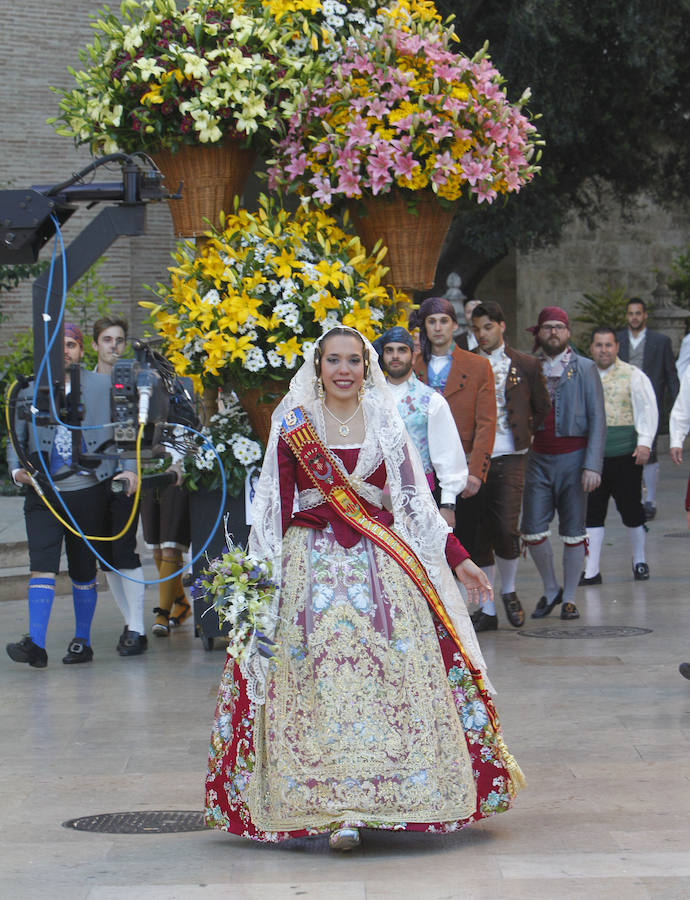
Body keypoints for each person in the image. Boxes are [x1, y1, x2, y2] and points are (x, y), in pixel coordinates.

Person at [205, 326, 524, 850]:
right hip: (307, 566)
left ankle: (388, 798)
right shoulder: (292, 423)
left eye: (354, 360)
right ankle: (327, 806)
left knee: (392, 669)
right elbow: (270, 506)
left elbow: (415, 503)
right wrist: (261, 582)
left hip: (380, 566)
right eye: (334, 360)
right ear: (318, 365)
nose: (345, 370)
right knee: (310, 676)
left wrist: (459, 559)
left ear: (368, 366)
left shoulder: (385, 420)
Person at [6, 324, 136, 668]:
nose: (64, 351)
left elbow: (125, 430)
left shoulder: (103, 386)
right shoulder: (28, 389)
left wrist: (130, 467)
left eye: (71, 345)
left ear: (82, 350)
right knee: (42, 566)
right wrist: (17, 471)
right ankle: (35, 644)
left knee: (83, 570)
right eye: (57, 346)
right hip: (43, 493)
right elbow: (14, 438)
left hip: (88, 490)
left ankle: (83, 641)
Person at [468, 302, 551, 631]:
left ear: (501, 326)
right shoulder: (468, 363)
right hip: (473, 459)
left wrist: (524, 433)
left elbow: (542, 406)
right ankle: (486, 609)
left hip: (512, 455)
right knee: (478, 533)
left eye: (487, 327)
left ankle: (509, 590)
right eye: (476, 329)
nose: (482, 334)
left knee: (505, 528)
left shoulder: (526, 364)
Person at [520, 307, 606, 621]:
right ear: (539, 333)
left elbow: (598, 418)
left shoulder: (585, 367)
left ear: (567, 332)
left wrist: (592, 465)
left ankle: (569, 598)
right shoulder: (529, 367)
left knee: (573, 530)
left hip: (574, 457)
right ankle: (551, 587)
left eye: (559, 327)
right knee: (531, 529)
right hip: (537, 458)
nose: (553, 332)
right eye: (548, 328)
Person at [412, 297, 497, 563]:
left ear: (455, 325)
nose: (438, 328)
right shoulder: (411, 365)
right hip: (420, 468)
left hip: (462, 467)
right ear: (424, 327)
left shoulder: (478, 366)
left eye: (444, 321)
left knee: (464, 542)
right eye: (432, 321)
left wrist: (476, 473)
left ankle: (464, 603)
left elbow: (486, 422)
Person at [580, 327, 658, 585]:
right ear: (591, 348)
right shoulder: (583, 375)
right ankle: (591, 569)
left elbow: (647, 410)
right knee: (592, 513)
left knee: (632, 510)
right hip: (593, 459)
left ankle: (639, 560)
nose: (604, 350)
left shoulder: (633, 375)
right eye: (599, 345)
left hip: (625, 455)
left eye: (608, 345)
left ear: (617, 347)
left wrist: (645, 443)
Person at [92, 316, 148, 656]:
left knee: (125, 548)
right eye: (108, 339)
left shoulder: (129, 382)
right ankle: (130, 623)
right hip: (88, 478)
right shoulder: (84, 382)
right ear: (96, 344)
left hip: (121, 477)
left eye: (120, 340)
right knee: (106, 556)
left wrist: (129, 470)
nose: (114, 345)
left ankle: (137, 627)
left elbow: (131, 434)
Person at [375, 325, 468, 522]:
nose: (395, 356)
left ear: (414, 354)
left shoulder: (431, 400)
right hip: (374, 497)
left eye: (402, 350)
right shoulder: (369, 398)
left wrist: (448, 504)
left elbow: (448, 454)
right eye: (389, 350)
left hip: (420, 496)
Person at [617, 298, 679, 520]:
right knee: (628, 451)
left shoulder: (660, 341)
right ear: (627, 316)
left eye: (638, 313)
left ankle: (650, 499)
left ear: (645, 316)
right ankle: (632, 495)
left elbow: (670, 373)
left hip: (649, 403)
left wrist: (675, 404)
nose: (634, 317)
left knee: (649, 451)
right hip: (622, 403)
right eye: (630, 313)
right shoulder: (618, 340)